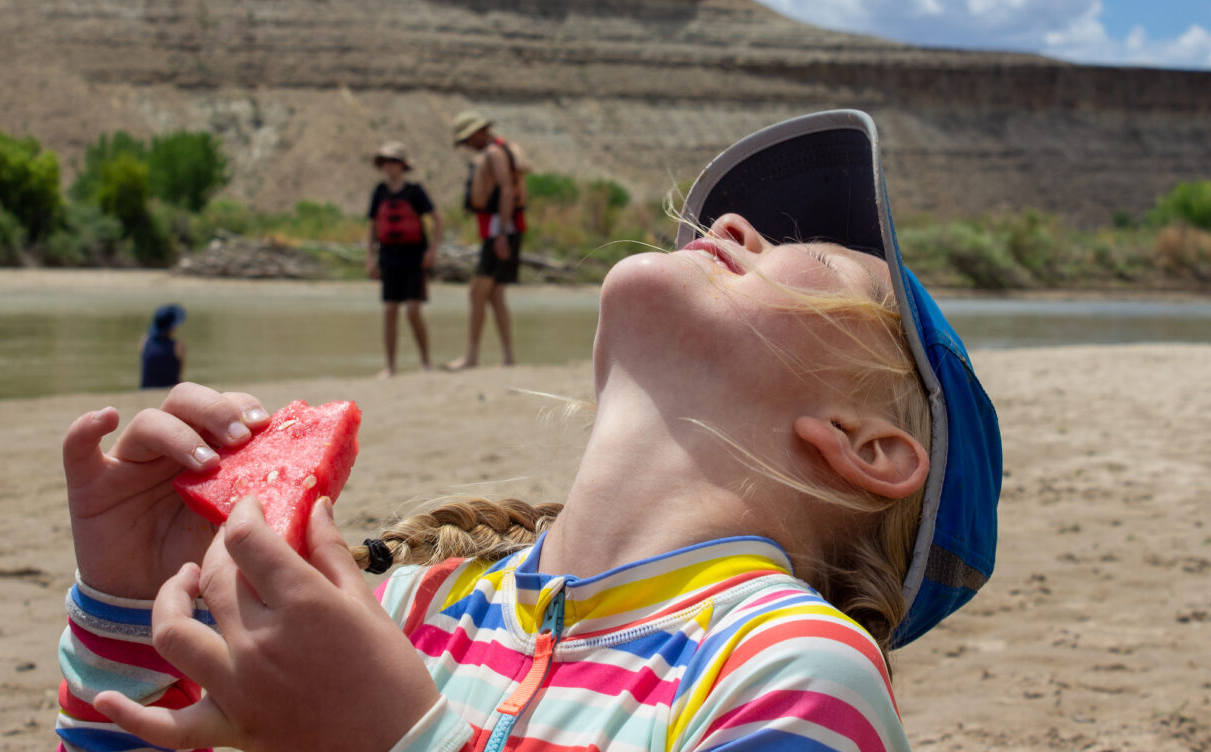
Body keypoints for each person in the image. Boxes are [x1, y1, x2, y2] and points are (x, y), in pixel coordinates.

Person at [55, 109, 1002, 752]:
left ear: (867, 443)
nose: (742, 224)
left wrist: (395, 733)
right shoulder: (403, 609)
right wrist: (132, 613)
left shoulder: (794, 676)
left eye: (825, 261)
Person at [446, 109, 529, 371]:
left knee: (477, 293)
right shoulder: (498, 150)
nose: (467, 146)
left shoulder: (494, 153)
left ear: (478, 133)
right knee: (494, 295)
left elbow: (506, 189)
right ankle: (507, 356)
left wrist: (501, 232)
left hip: (500, 230)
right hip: (503, 229)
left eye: (468, 139)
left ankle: (471, 357)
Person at [365, 141, 444, 376]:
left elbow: (437, 219)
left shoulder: (415, 191)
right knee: (389, 310)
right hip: (389, 256)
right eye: (386, 162)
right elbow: (372, 227)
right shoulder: (379, 192)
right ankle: (390, 366)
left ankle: (426, 361)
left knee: (412, 309)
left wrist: (432, 251)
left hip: (414, 256)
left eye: (394, 162)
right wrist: (370, 257)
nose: (390, 166)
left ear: (402, 165)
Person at [138, 304, 186, 389]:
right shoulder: (178, 347)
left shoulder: (144, 341)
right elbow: (179, 376)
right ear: (173, 326)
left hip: (146, 389)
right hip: (169, 389)